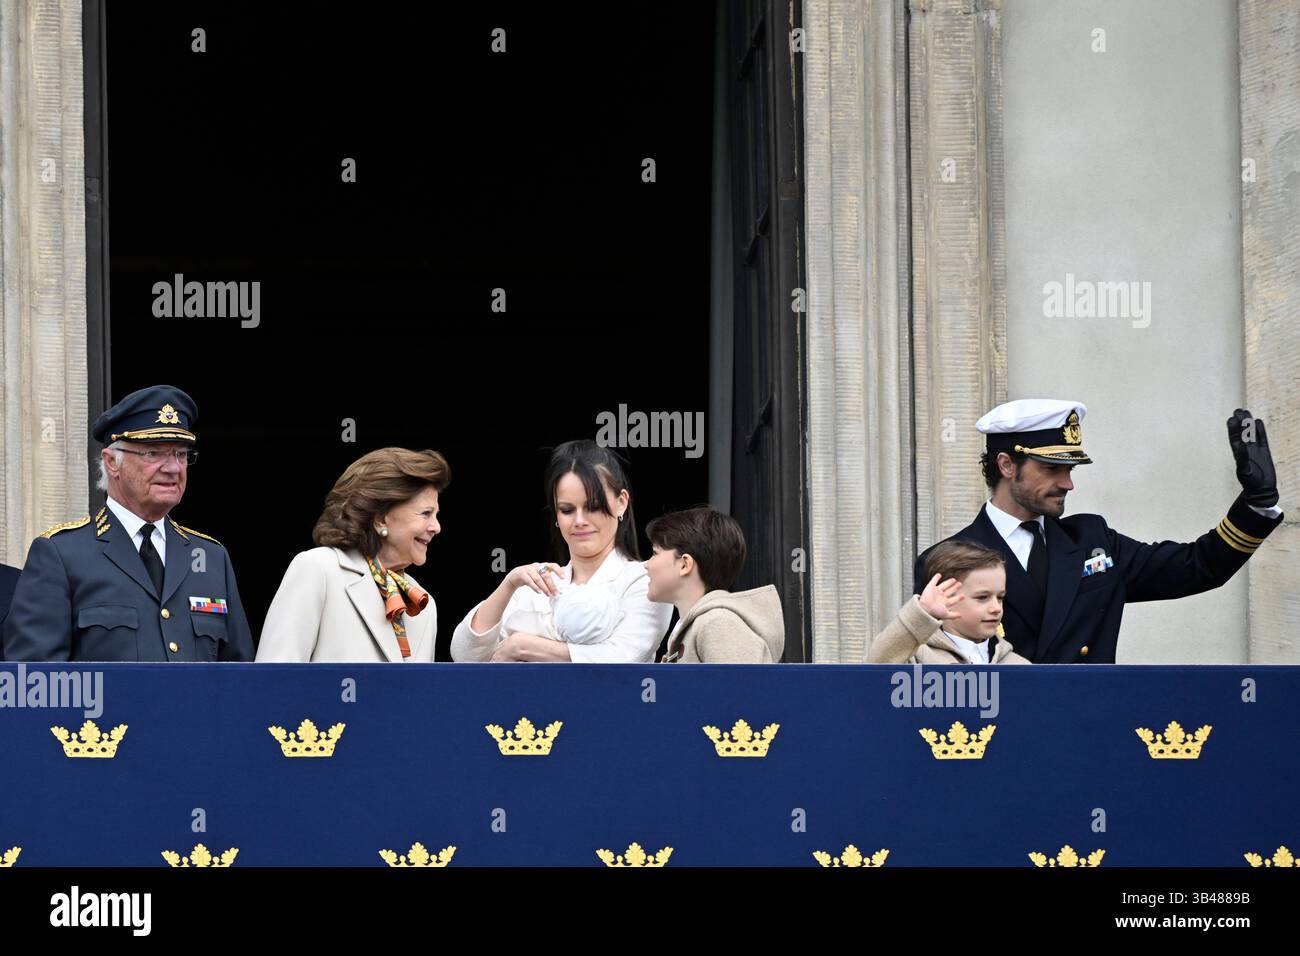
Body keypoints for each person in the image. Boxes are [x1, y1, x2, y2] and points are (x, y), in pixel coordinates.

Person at [913, 401, 1284, 663]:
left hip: (1092, 730)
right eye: (1052, 469)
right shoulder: (950, 558)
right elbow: (936, 664)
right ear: (1007, 465)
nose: (1068, 484)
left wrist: (1256, 505)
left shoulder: (1093, 540)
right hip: (1003, 736)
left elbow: (1198, 566)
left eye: (1071, 470)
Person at [2, 385, 254, 662]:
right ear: (112, 462)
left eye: (181, 454)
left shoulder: (211, 557)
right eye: (153, 454)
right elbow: (37, 684)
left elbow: (239, 678)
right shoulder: (62, 555)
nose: (173, 468)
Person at [451, 440, 672, 662]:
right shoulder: (535, 584)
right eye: (567, 510)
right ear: (555, 514)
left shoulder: (646, 580)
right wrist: (509, 584)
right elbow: (464, 656)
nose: (579, 521)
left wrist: (523, 647)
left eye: (593, 507)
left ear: (621, 502)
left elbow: (622, 657)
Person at [257, 448, 449, 662]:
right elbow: (273, 682)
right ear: (380, 518)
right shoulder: (318, 569)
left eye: (436, 515)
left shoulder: (423, 603)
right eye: (425, 513)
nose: (436, 527)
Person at [642, 507, 784, 663]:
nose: (647, 564)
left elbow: (743, 686)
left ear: (684, 564)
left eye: (655, 553)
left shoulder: (718, 623)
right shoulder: (705, 623)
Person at [872, 540, 1028, 664]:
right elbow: (873, 673)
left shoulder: (1018, 666)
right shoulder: (916, 657)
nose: (996, 608)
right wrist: (922, 612)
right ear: (946, 597)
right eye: (982, 597)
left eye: (1000, 597)